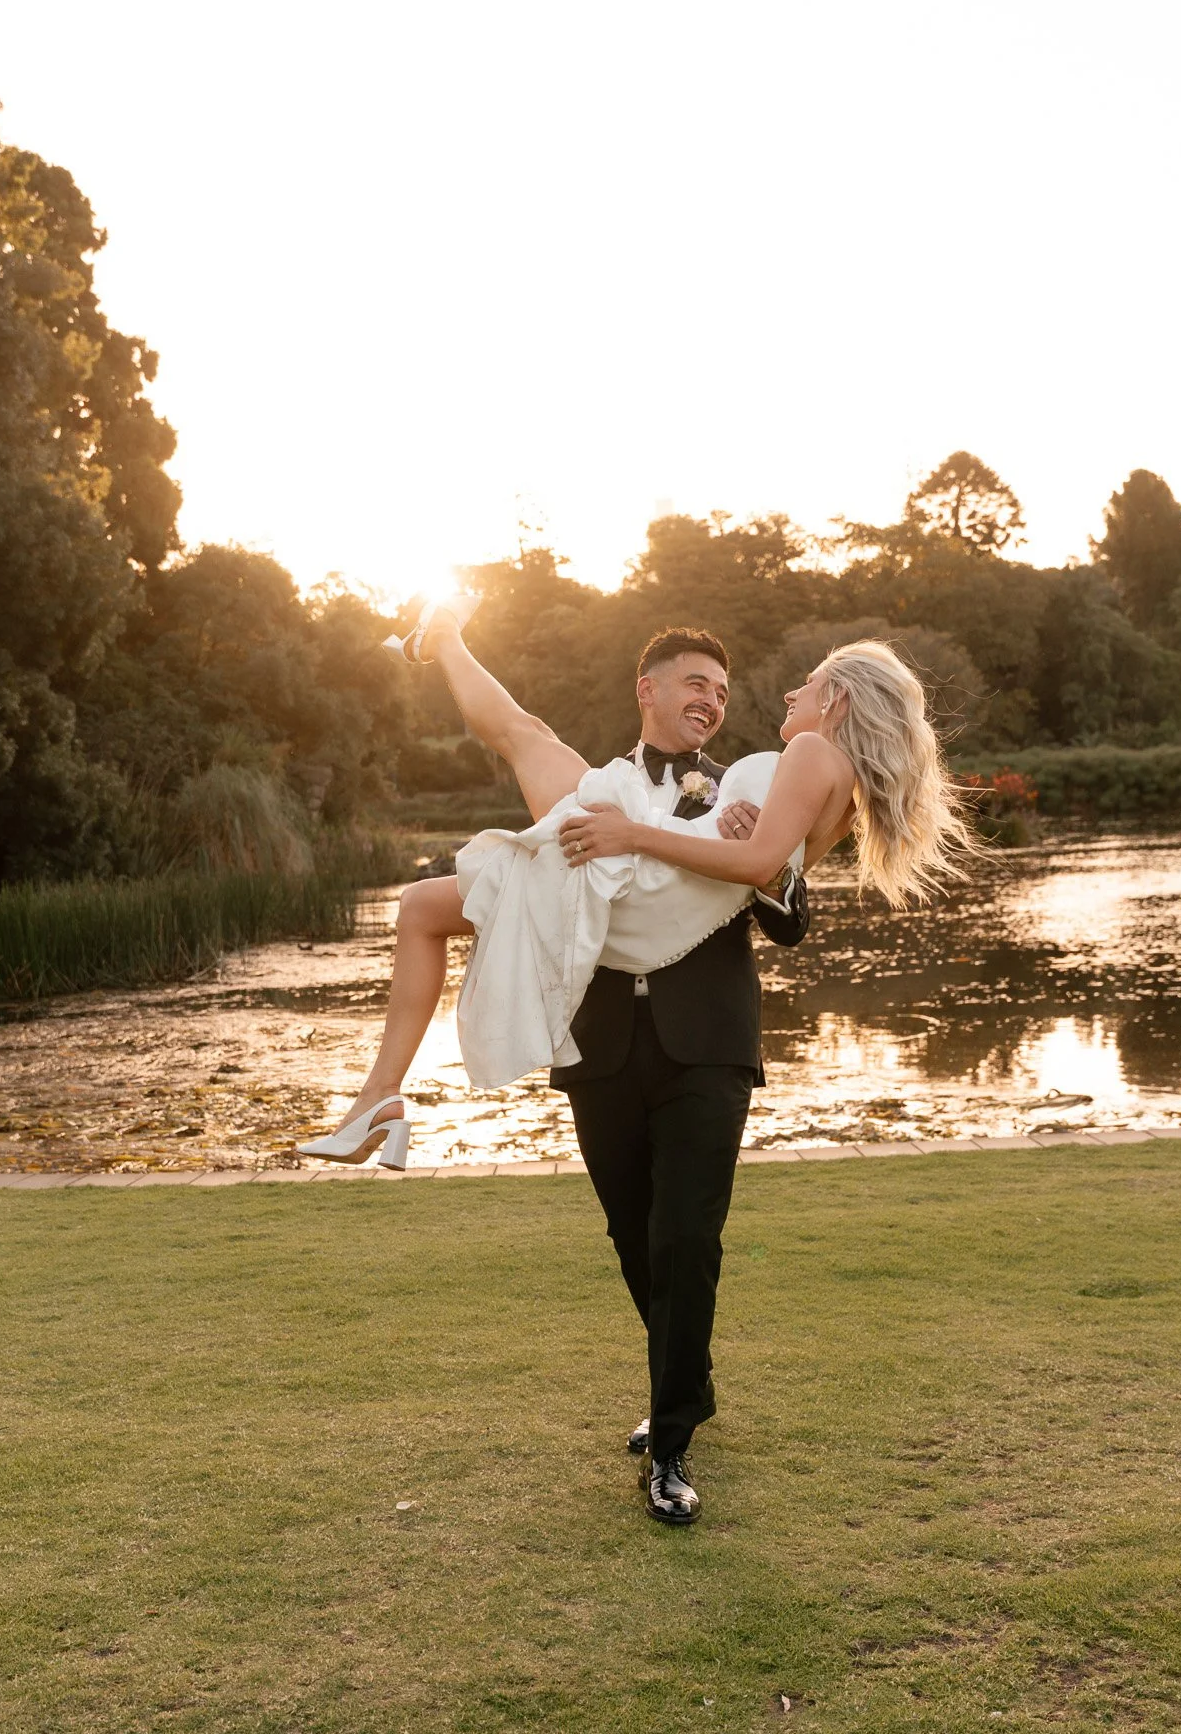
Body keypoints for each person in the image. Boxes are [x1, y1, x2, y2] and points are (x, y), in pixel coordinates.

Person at [309, 606, 971, 1525]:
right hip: (606, 1035)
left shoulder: (768, 779)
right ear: (646, 690)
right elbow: (525, 740)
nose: (722, 700)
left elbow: (781, 896)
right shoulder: (618, 785)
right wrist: (695, 839)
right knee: (633, 1235)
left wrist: (759, 861)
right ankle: (444, 641)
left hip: (705, 1044)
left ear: (840, 697)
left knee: (683, 1239)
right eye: (697, 684)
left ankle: (669, 1443)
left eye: (725, 692)